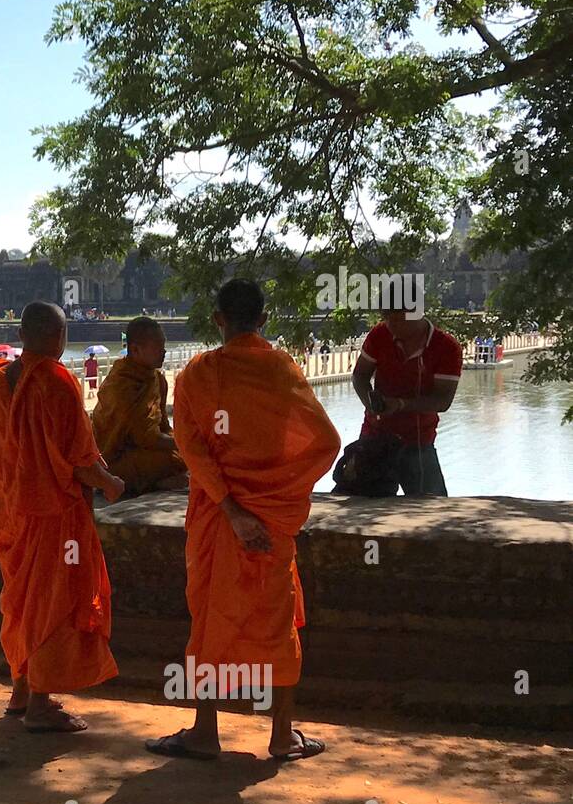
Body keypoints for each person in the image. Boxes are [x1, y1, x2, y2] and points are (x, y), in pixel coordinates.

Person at [147, 279, 340, 762]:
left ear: (218, 320)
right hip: (269, 520)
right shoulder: (280, 370)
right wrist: (280, 490)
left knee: (213, 617)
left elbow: (191, 449)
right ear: (264, 319)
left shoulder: (198, 373)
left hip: (218, 515)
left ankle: (206, 731)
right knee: (277, 620)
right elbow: (325, 442)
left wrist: (231, 505)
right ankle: (281, 735)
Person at [0, 301, 124, 733]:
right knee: (52, 603)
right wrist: (112, 485)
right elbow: (77, 459)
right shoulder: (57, 382)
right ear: (60, 339)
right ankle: (39, 702)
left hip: (9, 511)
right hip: (52, 515)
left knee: (21, 601)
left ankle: (22, 687)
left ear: (21, 336)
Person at [351, 308, 461, 496]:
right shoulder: (380, 334)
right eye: (387, 318)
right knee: (359, 507)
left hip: (418, 443)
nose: (391, 326)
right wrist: (370, 402)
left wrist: (401, 404)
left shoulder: (447, 347)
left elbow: (443, 401)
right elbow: (360, 376)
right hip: (375, 437)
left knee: (433, 512)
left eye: (398, 319)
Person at [91, 317, 189, 495]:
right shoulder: (121, 384)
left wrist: (183, 443)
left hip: (146, 451)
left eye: (164, 345)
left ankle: (159, 478)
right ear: (135, 349)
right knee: (185, 456)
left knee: (189, 457)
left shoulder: (157, 379)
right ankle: (155, 483)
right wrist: (185, 444)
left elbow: (163, 425)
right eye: (158, 346)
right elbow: (144, 438)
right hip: (115, 458)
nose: (164, 351)